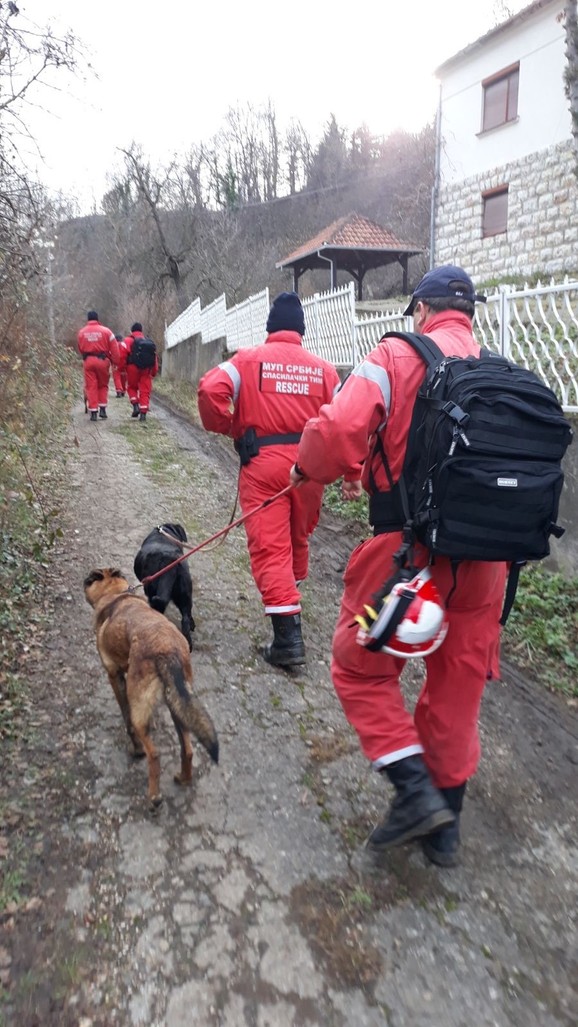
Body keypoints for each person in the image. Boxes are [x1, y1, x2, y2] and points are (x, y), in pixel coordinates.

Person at [290, 265, 507, 867]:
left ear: (420, 309)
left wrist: (306, 471)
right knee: (458, 686)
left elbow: (334, 435)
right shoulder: (496, 367)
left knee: (358, 667)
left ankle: (413, 791)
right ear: (469, 313)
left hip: (405, 559)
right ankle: (445, 830)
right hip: (487, 564)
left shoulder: (393, 356)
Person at [197, 291, 343, 668]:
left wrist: (230, 427)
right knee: (298, 537)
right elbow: (346, 422)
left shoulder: (246, 360)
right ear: (301, 330)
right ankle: (290, 601)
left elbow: (210, 389)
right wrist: (352, 472)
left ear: (269, 327)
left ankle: (288, 639)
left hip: (263, 467)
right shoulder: (326, 371)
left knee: (270, 548)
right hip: (309, 469)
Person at [77, 311, 119, 422]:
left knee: (91, 386)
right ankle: (103, 410)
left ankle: (93, 412)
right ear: (97, 318)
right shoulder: (107, 331)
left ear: (88, 319)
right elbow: (114, 348)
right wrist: (115, 362)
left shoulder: (81, 332)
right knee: (103, 385)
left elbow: (80, 348)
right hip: (102, 361)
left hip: (88, 361)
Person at [121, 322, 158, 422]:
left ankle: (135, 405)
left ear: (131, 331)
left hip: (132, 367)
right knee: (145, 391)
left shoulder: (128, 340)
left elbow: (122, 355)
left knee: (131, 387)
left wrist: (122, 368)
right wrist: (154, 372)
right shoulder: (148, 342)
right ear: (141, 330)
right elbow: (154, 358)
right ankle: (143, 414)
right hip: (146, 369)